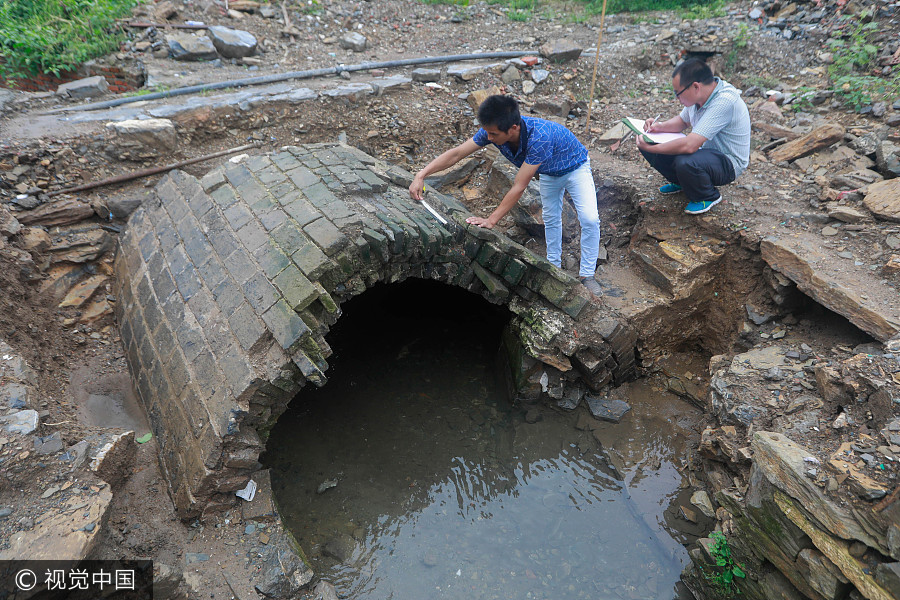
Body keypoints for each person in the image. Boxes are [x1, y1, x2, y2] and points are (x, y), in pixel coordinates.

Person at [409, 95, 603, 297]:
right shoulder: (492, 131)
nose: (489, 138)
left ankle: (587, 275)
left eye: (493, 134)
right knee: (552, 218)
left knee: (590, 218)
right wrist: (421, 175)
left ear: (514, 128)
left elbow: (519, 186)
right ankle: (553, 265)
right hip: (548, 172)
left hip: (575, 167)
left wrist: (491, 220)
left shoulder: (540, 137)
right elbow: (458, 153)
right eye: (487, 132)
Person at [637, 58, 751, 215]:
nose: (677, 98)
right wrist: (659, 127)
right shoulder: (698, 98)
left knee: (685, 160)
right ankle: (683, 182)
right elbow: (682, 121)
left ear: (696, 86)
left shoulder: (724, 101)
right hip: (705, 154)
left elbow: (690, 145)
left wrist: (655, 148)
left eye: (678, 93)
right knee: (650, 142)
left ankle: (707, 195)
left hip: (729, 162)